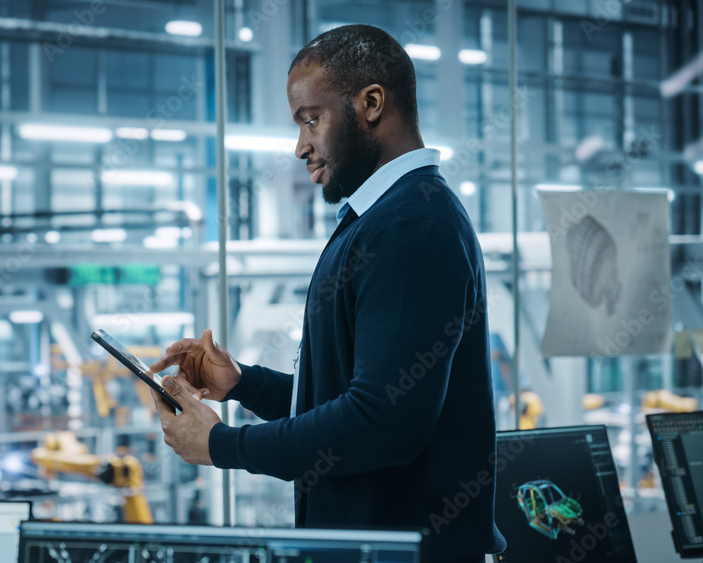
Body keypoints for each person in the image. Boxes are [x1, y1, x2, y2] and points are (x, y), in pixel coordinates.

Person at [148, 24, 506, 563]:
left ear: (371, 104)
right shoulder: (386, 218)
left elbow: (381, 421)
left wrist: (225, 446)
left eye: (310, 119)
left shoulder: (411, 225)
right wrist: (245, 384)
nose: (300, 147)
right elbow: (363, 391)